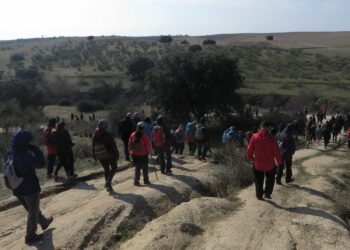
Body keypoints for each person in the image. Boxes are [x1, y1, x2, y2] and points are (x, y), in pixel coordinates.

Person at [4, 130, 53, 244]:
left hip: (16, 187)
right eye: (28, 141)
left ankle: (44, 222)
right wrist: (35, 149)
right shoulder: (24, 155)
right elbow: (41, 163)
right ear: (25, 143)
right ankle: (30, 236)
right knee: (33, 210)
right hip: (29, 188)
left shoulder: (9, 153)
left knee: (32, 209)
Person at [247, 121, 283, 200]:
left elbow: (249, 149)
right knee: (270, 179)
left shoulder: (254, 137)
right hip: (270, 164)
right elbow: (276, 152)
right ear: (269, 128)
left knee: (258, 180)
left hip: (257, 164)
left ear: (261, 127)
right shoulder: (272, 139)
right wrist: (280, 162)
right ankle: (267, 193)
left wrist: (250, 158)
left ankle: (259, 195)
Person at [92, 120, 119, 192]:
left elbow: (93, 147)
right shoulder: (108, 135)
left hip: (100, 155)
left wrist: (94, 156)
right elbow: (113, 146)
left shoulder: (95, 135)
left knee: (106, 169)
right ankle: (108, 182)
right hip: (109, 155)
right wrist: (117, 154)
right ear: (105, 126)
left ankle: (108, 187)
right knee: (114, 168)